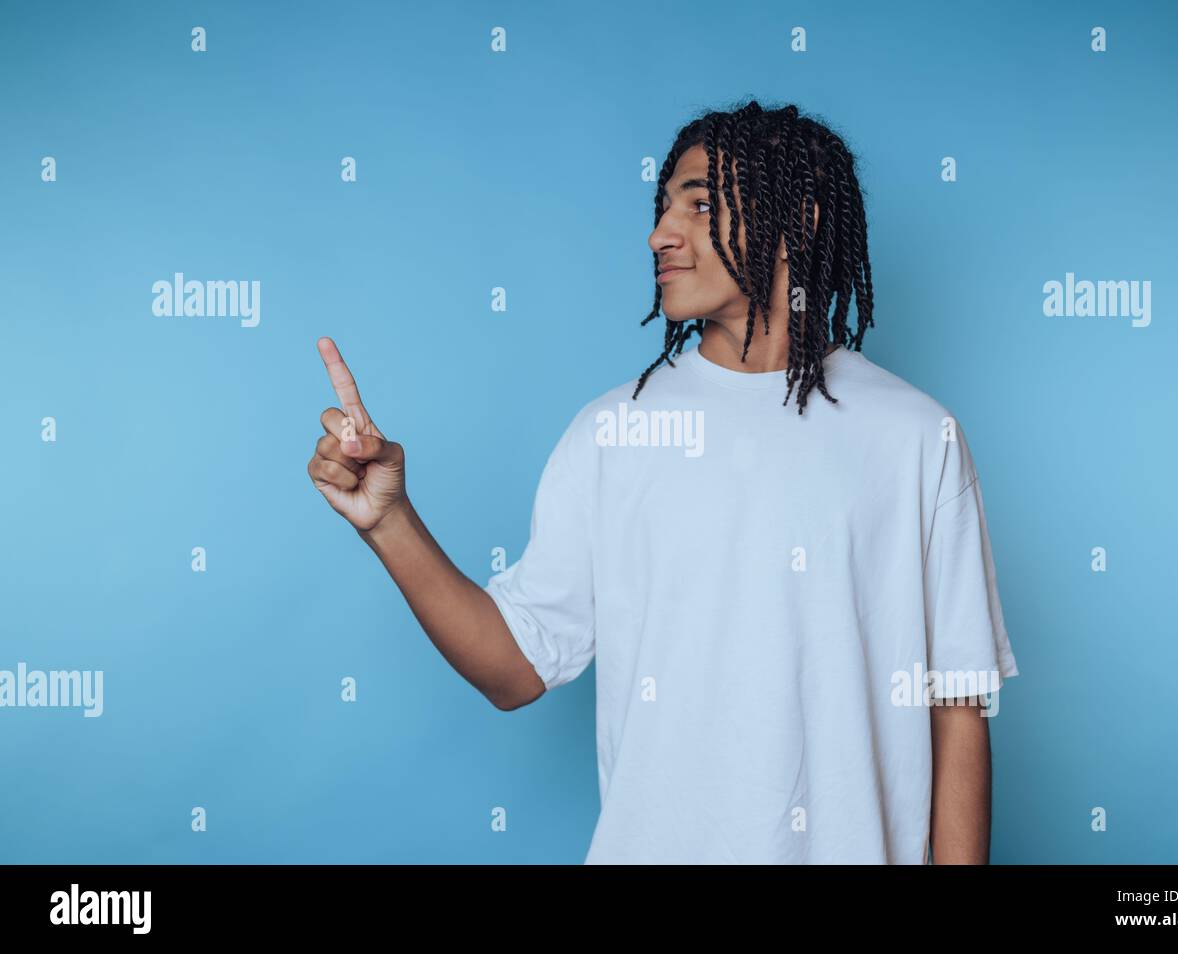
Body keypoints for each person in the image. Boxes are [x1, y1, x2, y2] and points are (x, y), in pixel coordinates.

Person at [307, 100, 1019, 864]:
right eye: (662, 206)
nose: (660, 234)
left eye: (701, 203)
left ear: (801, 220)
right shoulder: (614, 432)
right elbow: (513, 671)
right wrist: (389, 521)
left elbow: (957, 708)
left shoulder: (917, 437)